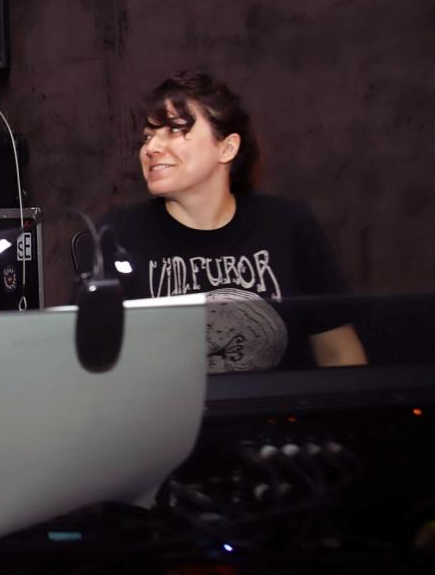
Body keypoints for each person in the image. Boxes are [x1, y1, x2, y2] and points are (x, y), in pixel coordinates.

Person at [99, 71, 367, 372]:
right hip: (171, 419)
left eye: (174, 130)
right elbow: (97, 366)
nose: (151, 148)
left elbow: (339, 353)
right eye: (148, 136)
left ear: (227, 148)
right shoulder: (117, 236)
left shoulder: (289, 224)